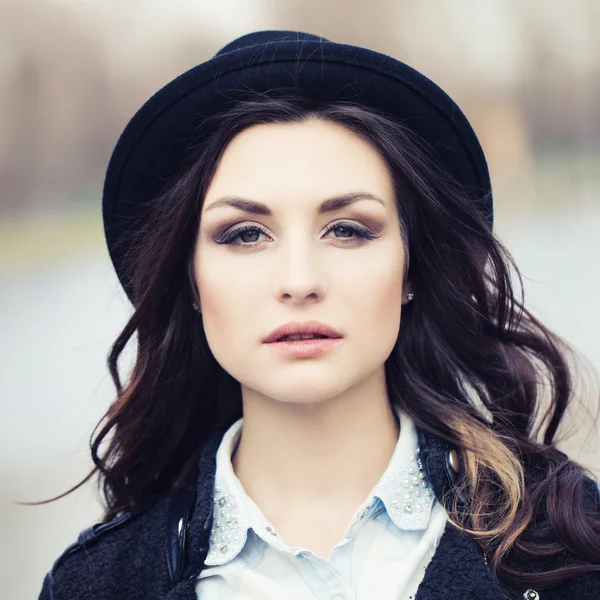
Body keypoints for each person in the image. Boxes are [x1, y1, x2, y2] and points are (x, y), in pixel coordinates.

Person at [36, 30, 600, 600]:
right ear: (190, 280)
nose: (300, 282)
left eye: (348, 230)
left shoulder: (568, 537)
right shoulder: (96, 583)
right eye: (245, 234)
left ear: (411, 269)